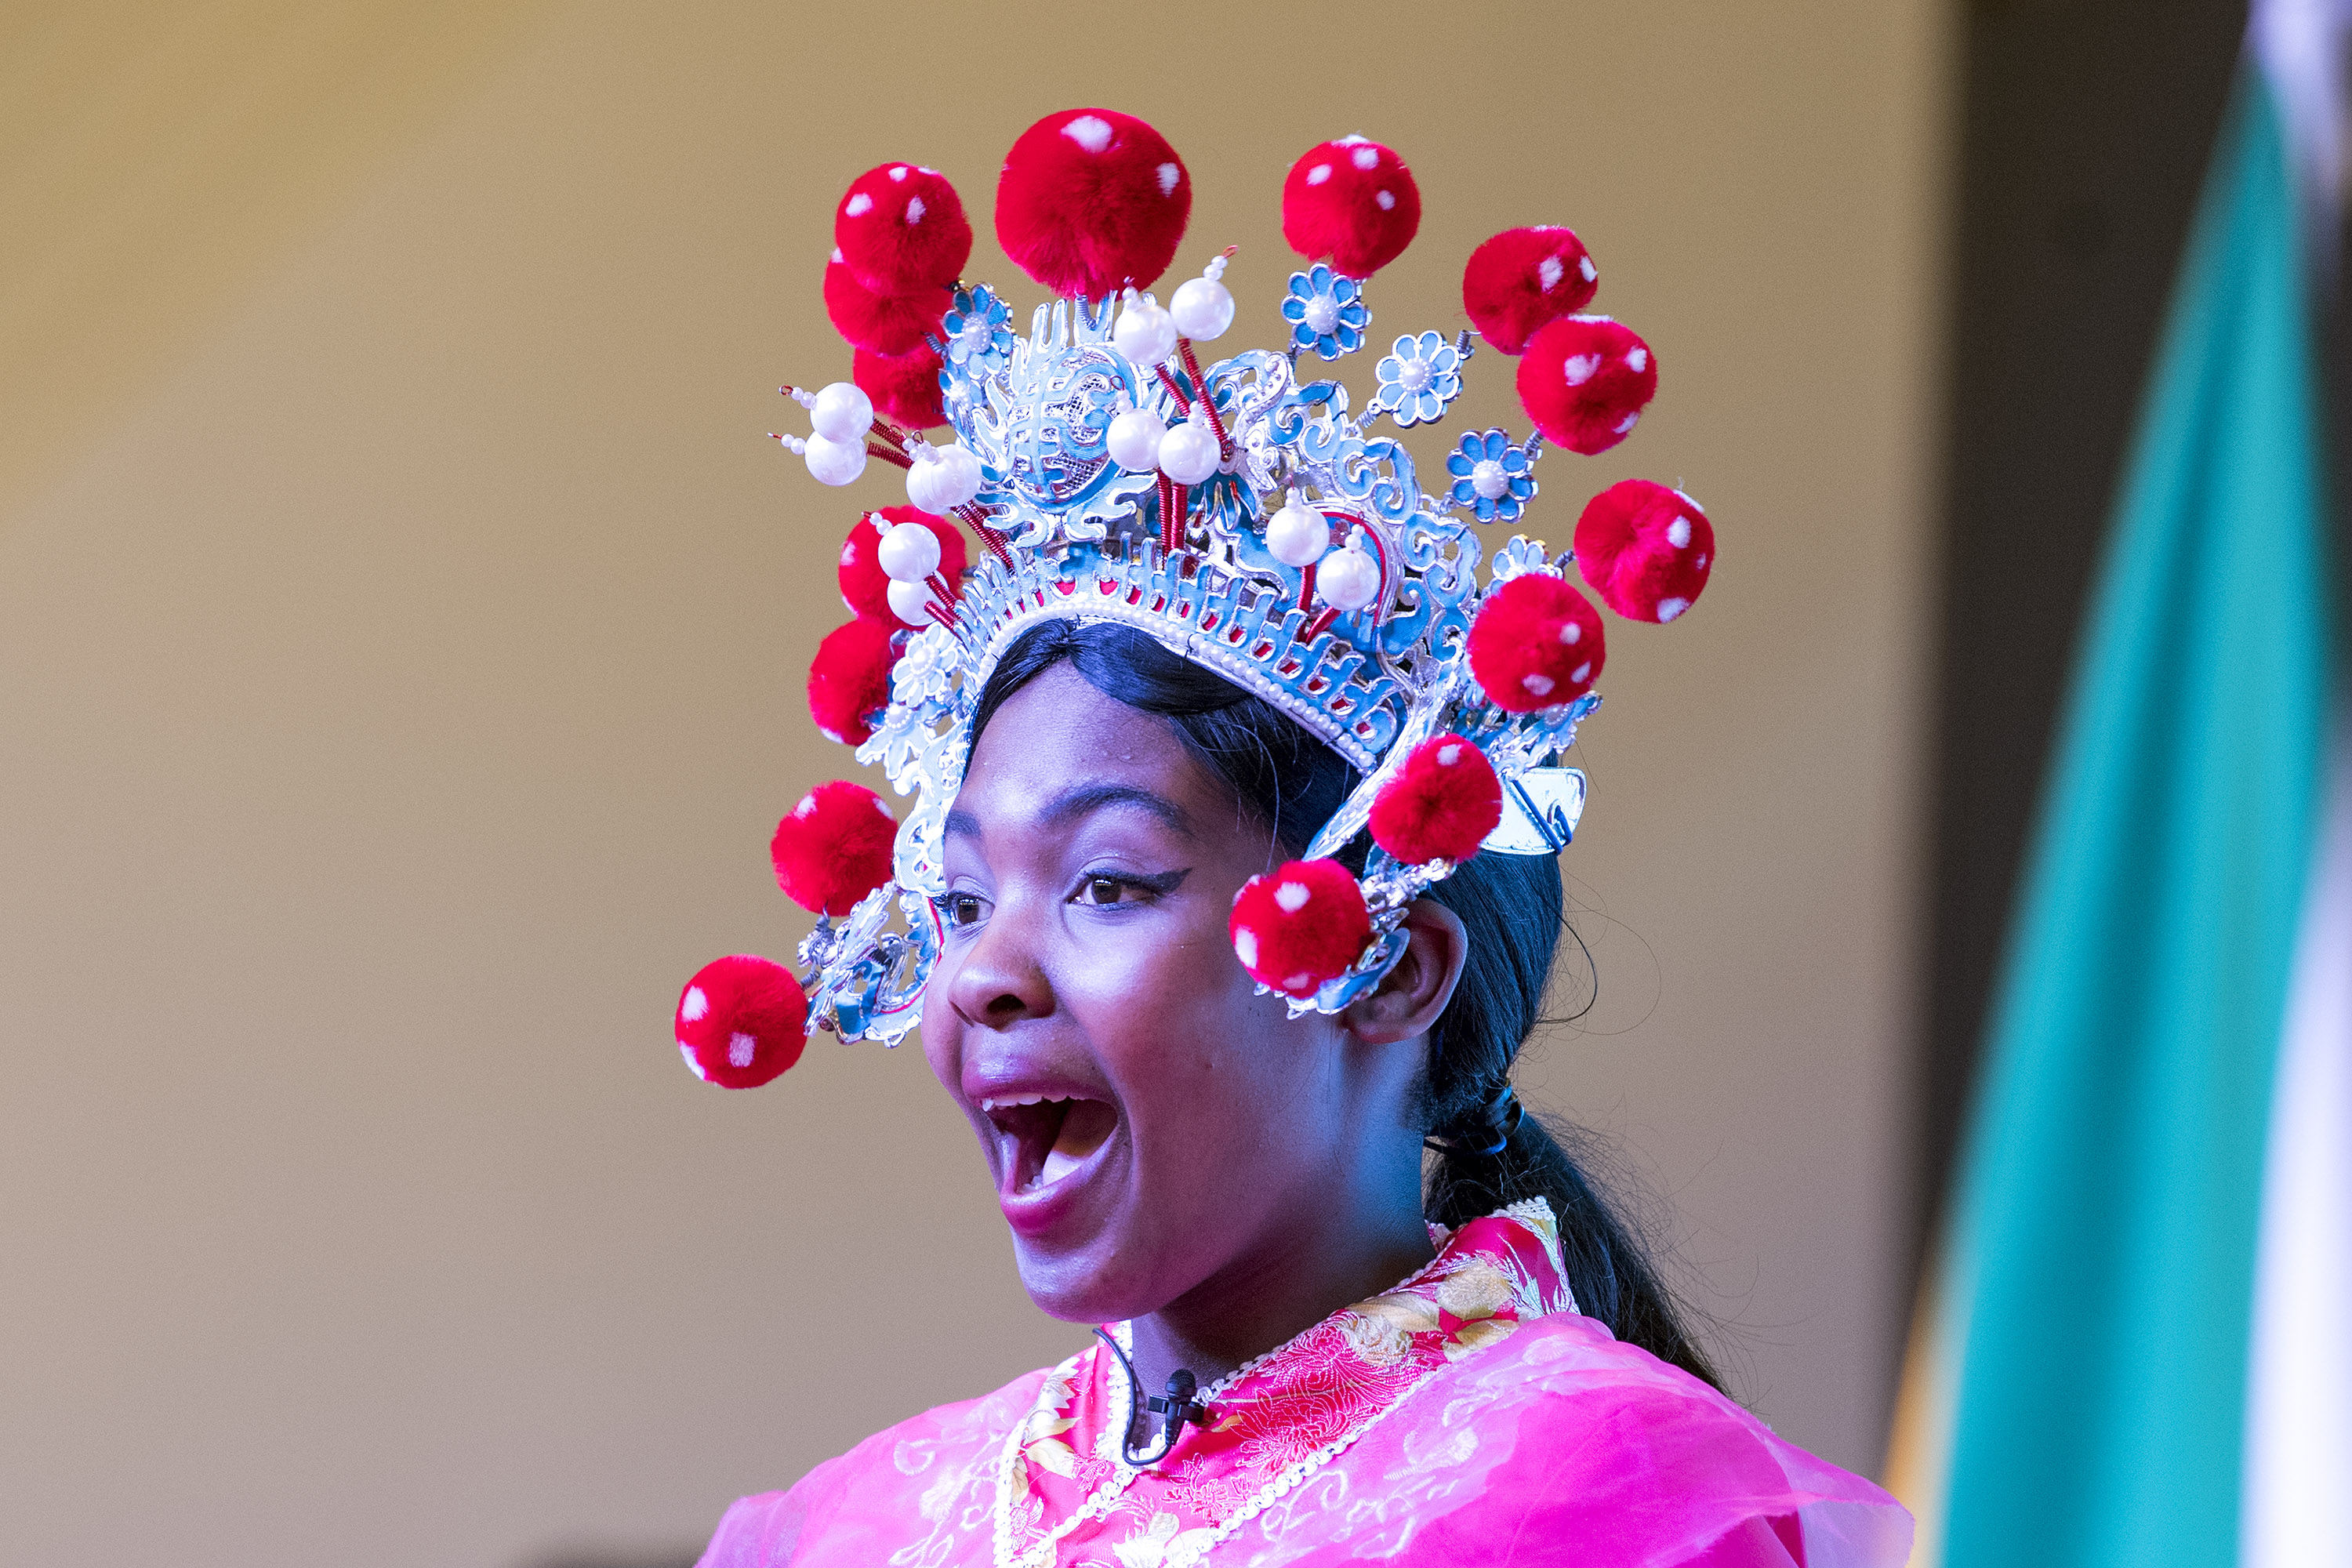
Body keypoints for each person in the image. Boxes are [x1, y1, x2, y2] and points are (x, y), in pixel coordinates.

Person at [677, 109, 1911, 1566]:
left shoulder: (1585, 1500)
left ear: (1392, 969)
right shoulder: (884, 1522)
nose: (983, 975)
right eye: (957, 903)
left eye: (1106, 883)